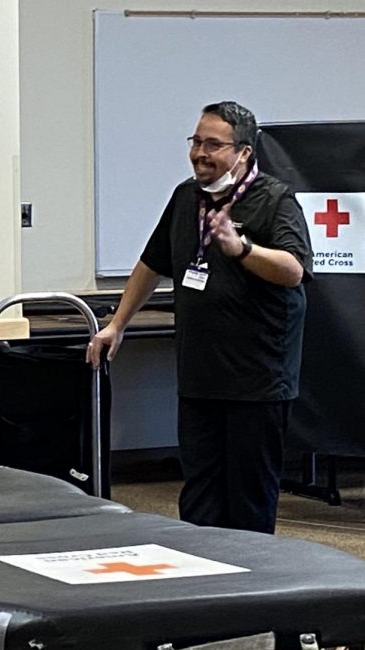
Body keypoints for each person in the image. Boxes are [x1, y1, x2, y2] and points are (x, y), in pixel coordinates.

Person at [86, 101, 313, 534]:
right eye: (196, 142)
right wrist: (118, 323)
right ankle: (202, 583)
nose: (200, 153)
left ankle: (252, 585)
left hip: (257, 379)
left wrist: (242, 249)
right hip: (199, 375)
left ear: (244, 153)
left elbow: (293, 269)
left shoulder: (274, 200)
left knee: (248, 495)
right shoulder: (185, 197)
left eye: (213, 144)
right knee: (200, 493)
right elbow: (151, 264)